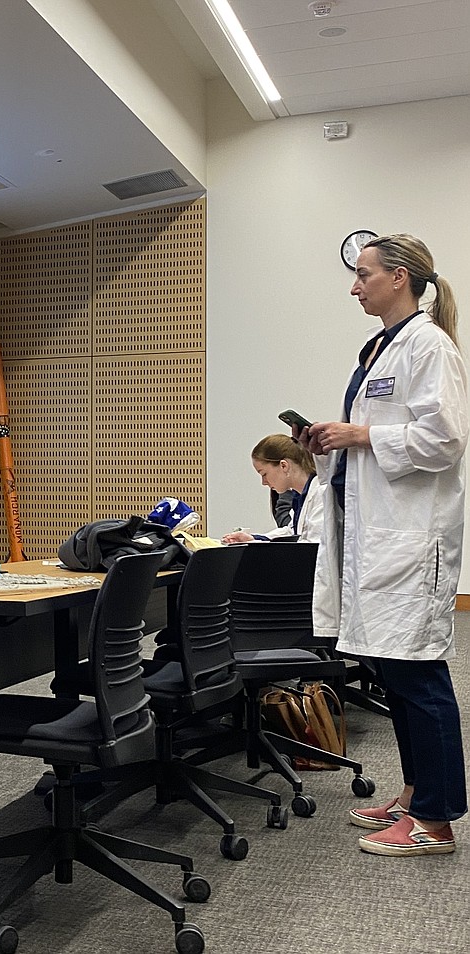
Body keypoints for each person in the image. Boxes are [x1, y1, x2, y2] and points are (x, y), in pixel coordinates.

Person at [300, 233, 468, 856]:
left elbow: (445, 440)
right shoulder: (382, 347)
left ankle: (435, 820)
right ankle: (419, 789)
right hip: (378, 535)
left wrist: (363, 434)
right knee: (393, 675)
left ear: (398, 277)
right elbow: (385, 433)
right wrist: (335, 442)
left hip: (411, 539)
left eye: (363, 275)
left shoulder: (429, 345)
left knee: (417, 677)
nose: (354, 286)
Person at [221, 434, 340, 638]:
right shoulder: (303, 495)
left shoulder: (321, 493)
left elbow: (310, 547)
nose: (264, 482)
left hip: (314, 588)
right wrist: (256, 539)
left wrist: (261, 546)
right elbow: (292, 530)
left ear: (283, 466)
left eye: (264, 473)